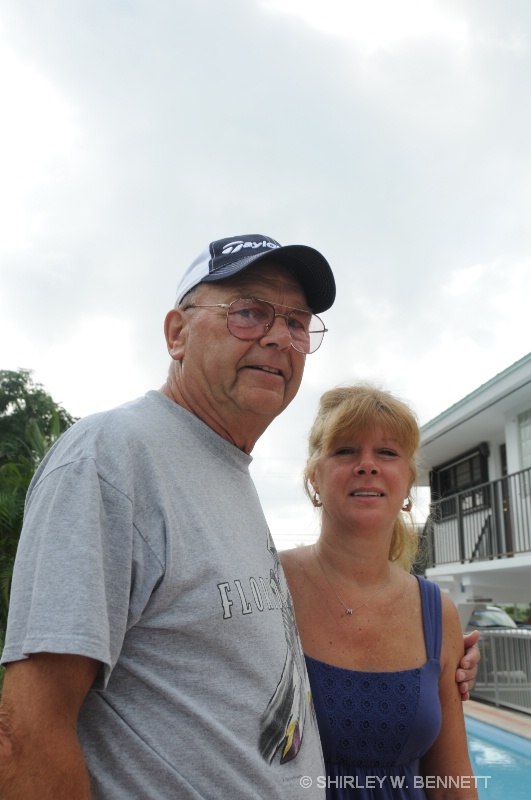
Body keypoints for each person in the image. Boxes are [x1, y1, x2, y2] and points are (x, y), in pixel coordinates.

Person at [0, 234, 479, 800]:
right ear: (178, 334)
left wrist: (434, 662)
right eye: (249, 312)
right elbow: (27, 733)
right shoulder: (113, 457)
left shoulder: (225, 473)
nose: (279, 336)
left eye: (297, 322)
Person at [281, 384, 478, 799]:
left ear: (408, 483)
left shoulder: (436, 613)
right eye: (346, 450)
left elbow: (451, 785)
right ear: (314, 476)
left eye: (387, 453)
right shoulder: (269, 583)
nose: (367, 465)